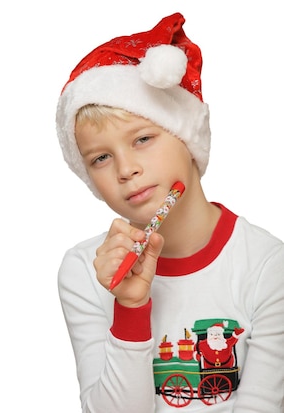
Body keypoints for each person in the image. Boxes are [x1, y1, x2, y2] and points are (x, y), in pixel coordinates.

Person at [55, 12, 284, 412]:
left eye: (143, 138)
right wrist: (129, 308)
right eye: (101, 158)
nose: (126, 169)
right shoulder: (84, 271)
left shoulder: (267, 266)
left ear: (187, 137)